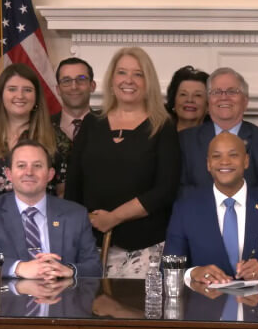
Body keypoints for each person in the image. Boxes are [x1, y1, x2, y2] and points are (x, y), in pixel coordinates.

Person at [65, 46, 180, 278]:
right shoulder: (91, 123)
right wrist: (86, 222)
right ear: (111, 79)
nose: (129, 80)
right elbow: (73, 185)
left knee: (129, 311)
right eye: (122, 72)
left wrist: (113, 218)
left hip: (144, 245)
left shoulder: (163, 126)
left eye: (138, 74)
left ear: (148, 82)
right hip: (89, 243)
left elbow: (165, 190)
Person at [165, 132, 258, 284]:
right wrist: (193, 273)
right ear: (208, 164)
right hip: (205, 304)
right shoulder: (185, 209)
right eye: (216, 156)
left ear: (246, 161)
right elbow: (166, 269)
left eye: (233, 155)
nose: (225, 162)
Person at [0, 140, 101, 279]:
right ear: (9, 174)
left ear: (50, 175)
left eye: (37, 166)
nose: (29, 172)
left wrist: (69, 270)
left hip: (61, 298)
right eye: (21, 166)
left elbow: (94, 266)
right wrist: (19, 268)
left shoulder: (76, 214)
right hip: (10, 300)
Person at [0, 64, 70, 204]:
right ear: (1, 95)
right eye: (12, 89)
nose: (20, 96)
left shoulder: (57, 138)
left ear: (36, 97)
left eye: (27, 90)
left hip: (39, 223)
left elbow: (63, 192)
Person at [179, 67, 258, 195]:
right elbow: (182, 191)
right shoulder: (186, 140)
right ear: (208, 101)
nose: (224, 97)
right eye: (216, 92)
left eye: (232, 91)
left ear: (245, 101)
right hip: (197, 214)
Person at [52, 57, 97, 141]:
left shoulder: (108, 125)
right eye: (66, 80)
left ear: (92, 86)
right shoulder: (44, 128)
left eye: (81, 79)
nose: (74, 87)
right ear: (58, 89)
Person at [165, 65, 209, 132]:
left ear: (208, 106)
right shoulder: (157, 135)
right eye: (183, 94)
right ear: (173, 101)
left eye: (198, 95)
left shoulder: (220, 138)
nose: (189, 100)